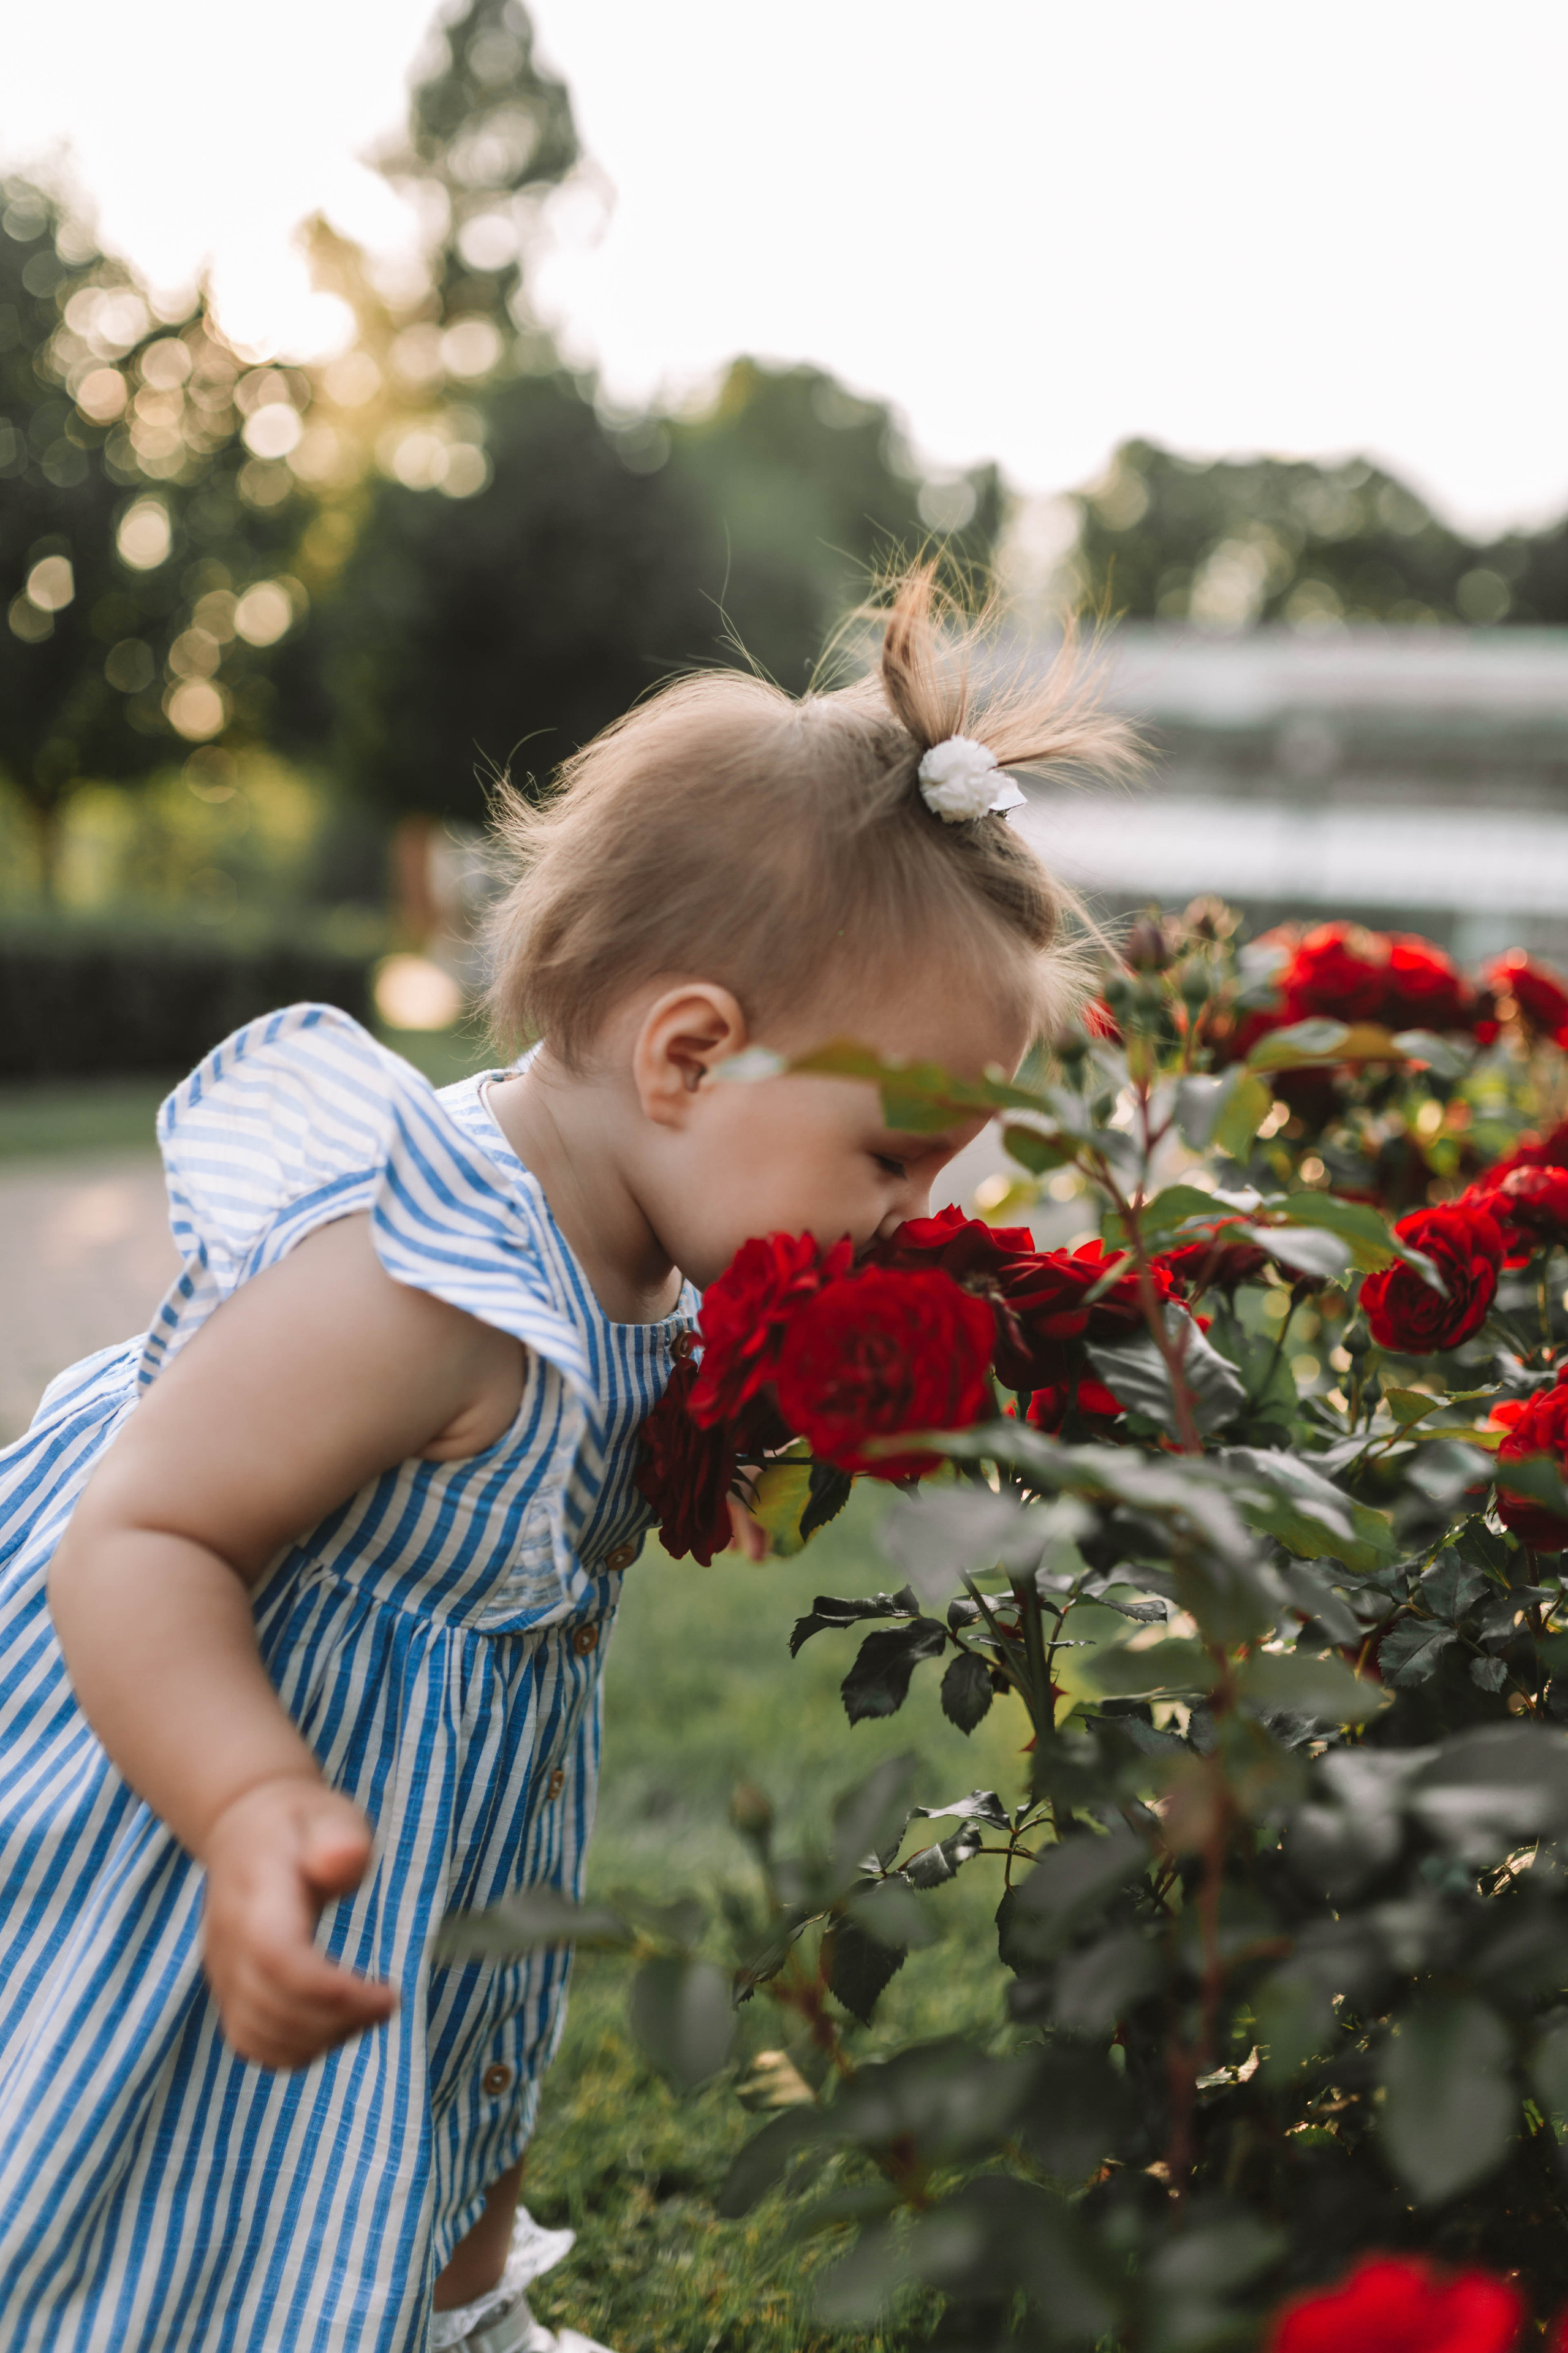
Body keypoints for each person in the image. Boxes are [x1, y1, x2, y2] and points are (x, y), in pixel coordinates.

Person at [0, 568, 1132, 2352]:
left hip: (444, 1779)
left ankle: (457, 2307)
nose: (920, 1216)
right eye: (892, 1164)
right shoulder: (422, 1279)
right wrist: (243, 1801)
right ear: (687, 1053)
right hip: (204, 1755)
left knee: (464, 2025)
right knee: (154, 2115)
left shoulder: (645, 1247)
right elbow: (137, 1534)